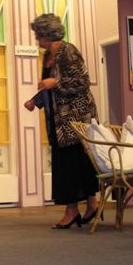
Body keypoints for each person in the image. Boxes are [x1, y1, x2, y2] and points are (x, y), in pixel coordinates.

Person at [24, 14, 99, 229]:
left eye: (38, 35)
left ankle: (75, 210)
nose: (36, 39)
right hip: (58, 120)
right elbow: (50, 87)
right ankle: (88, 206)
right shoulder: (47, 55)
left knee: (75, 163)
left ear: (47, 34)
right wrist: (35, 101)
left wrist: (55, 82)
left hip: (75, 118)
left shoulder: (68, 51)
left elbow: (82, 81)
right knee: (69, 164)